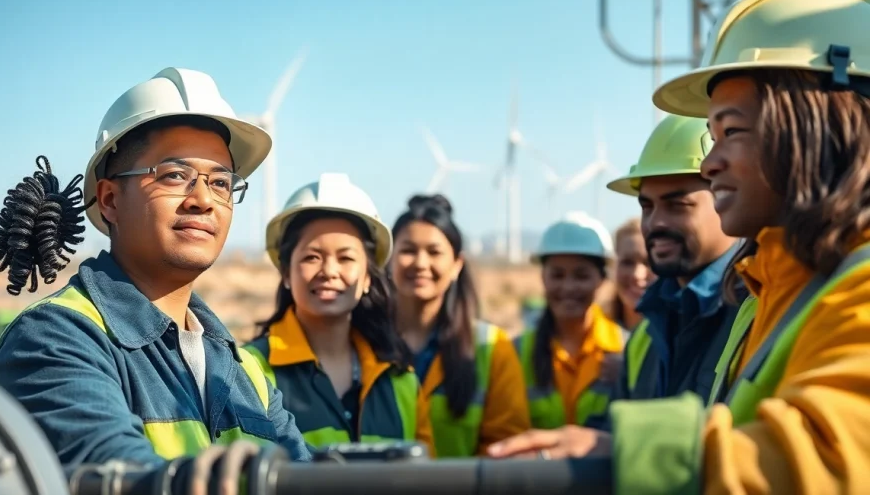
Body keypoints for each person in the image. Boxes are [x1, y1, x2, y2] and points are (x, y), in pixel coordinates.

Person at [522, 0, 870, 494]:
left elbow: (830, 463)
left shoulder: (856, 289)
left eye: (732, 132)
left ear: (813, 125)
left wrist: (628, 451)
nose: (711, 164)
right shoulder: (762, 293)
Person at [0, 68, 310, 494]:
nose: (202, 201)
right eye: (175, 176)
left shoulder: (243, 368)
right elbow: (116, 474)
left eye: (220, 183)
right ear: (110, 200)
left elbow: (307, 479)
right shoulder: (55, 341)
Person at [489, 113, 744, 460]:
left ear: (726, 197)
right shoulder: (645, 337)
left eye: (677, 205)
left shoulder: (755, 312)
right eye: (647, 206)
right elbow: (616, 432)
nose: (656, 222)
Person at [243, 174, 435, 454]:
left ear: (367, 276)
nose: (329, 272)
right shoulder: (251, 372)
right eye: (312, 257)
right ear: (286, 272)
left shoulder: (401, 380)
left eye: (346, 258)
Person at [391, 194, 529, 457]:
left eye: (434, 252)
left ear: (457, 264)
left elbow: (507, 450)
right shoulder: (365, 343)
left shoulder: (492, 348)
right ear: (389, 260)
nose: (421, 263)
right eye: (408, 250)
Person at [514, 212, 627, 431]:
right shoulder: (515, 354)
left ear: (601, 279)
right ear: (543, 278)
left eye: (581, 276)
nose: (568, 287)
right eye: (557, 275)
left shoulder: (625, 349)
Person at [605, 217, 654, 330]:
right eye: (627, 263)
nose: (637, 275)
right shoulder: (592, 332)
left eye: (649, 263)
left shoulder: (679, 335)